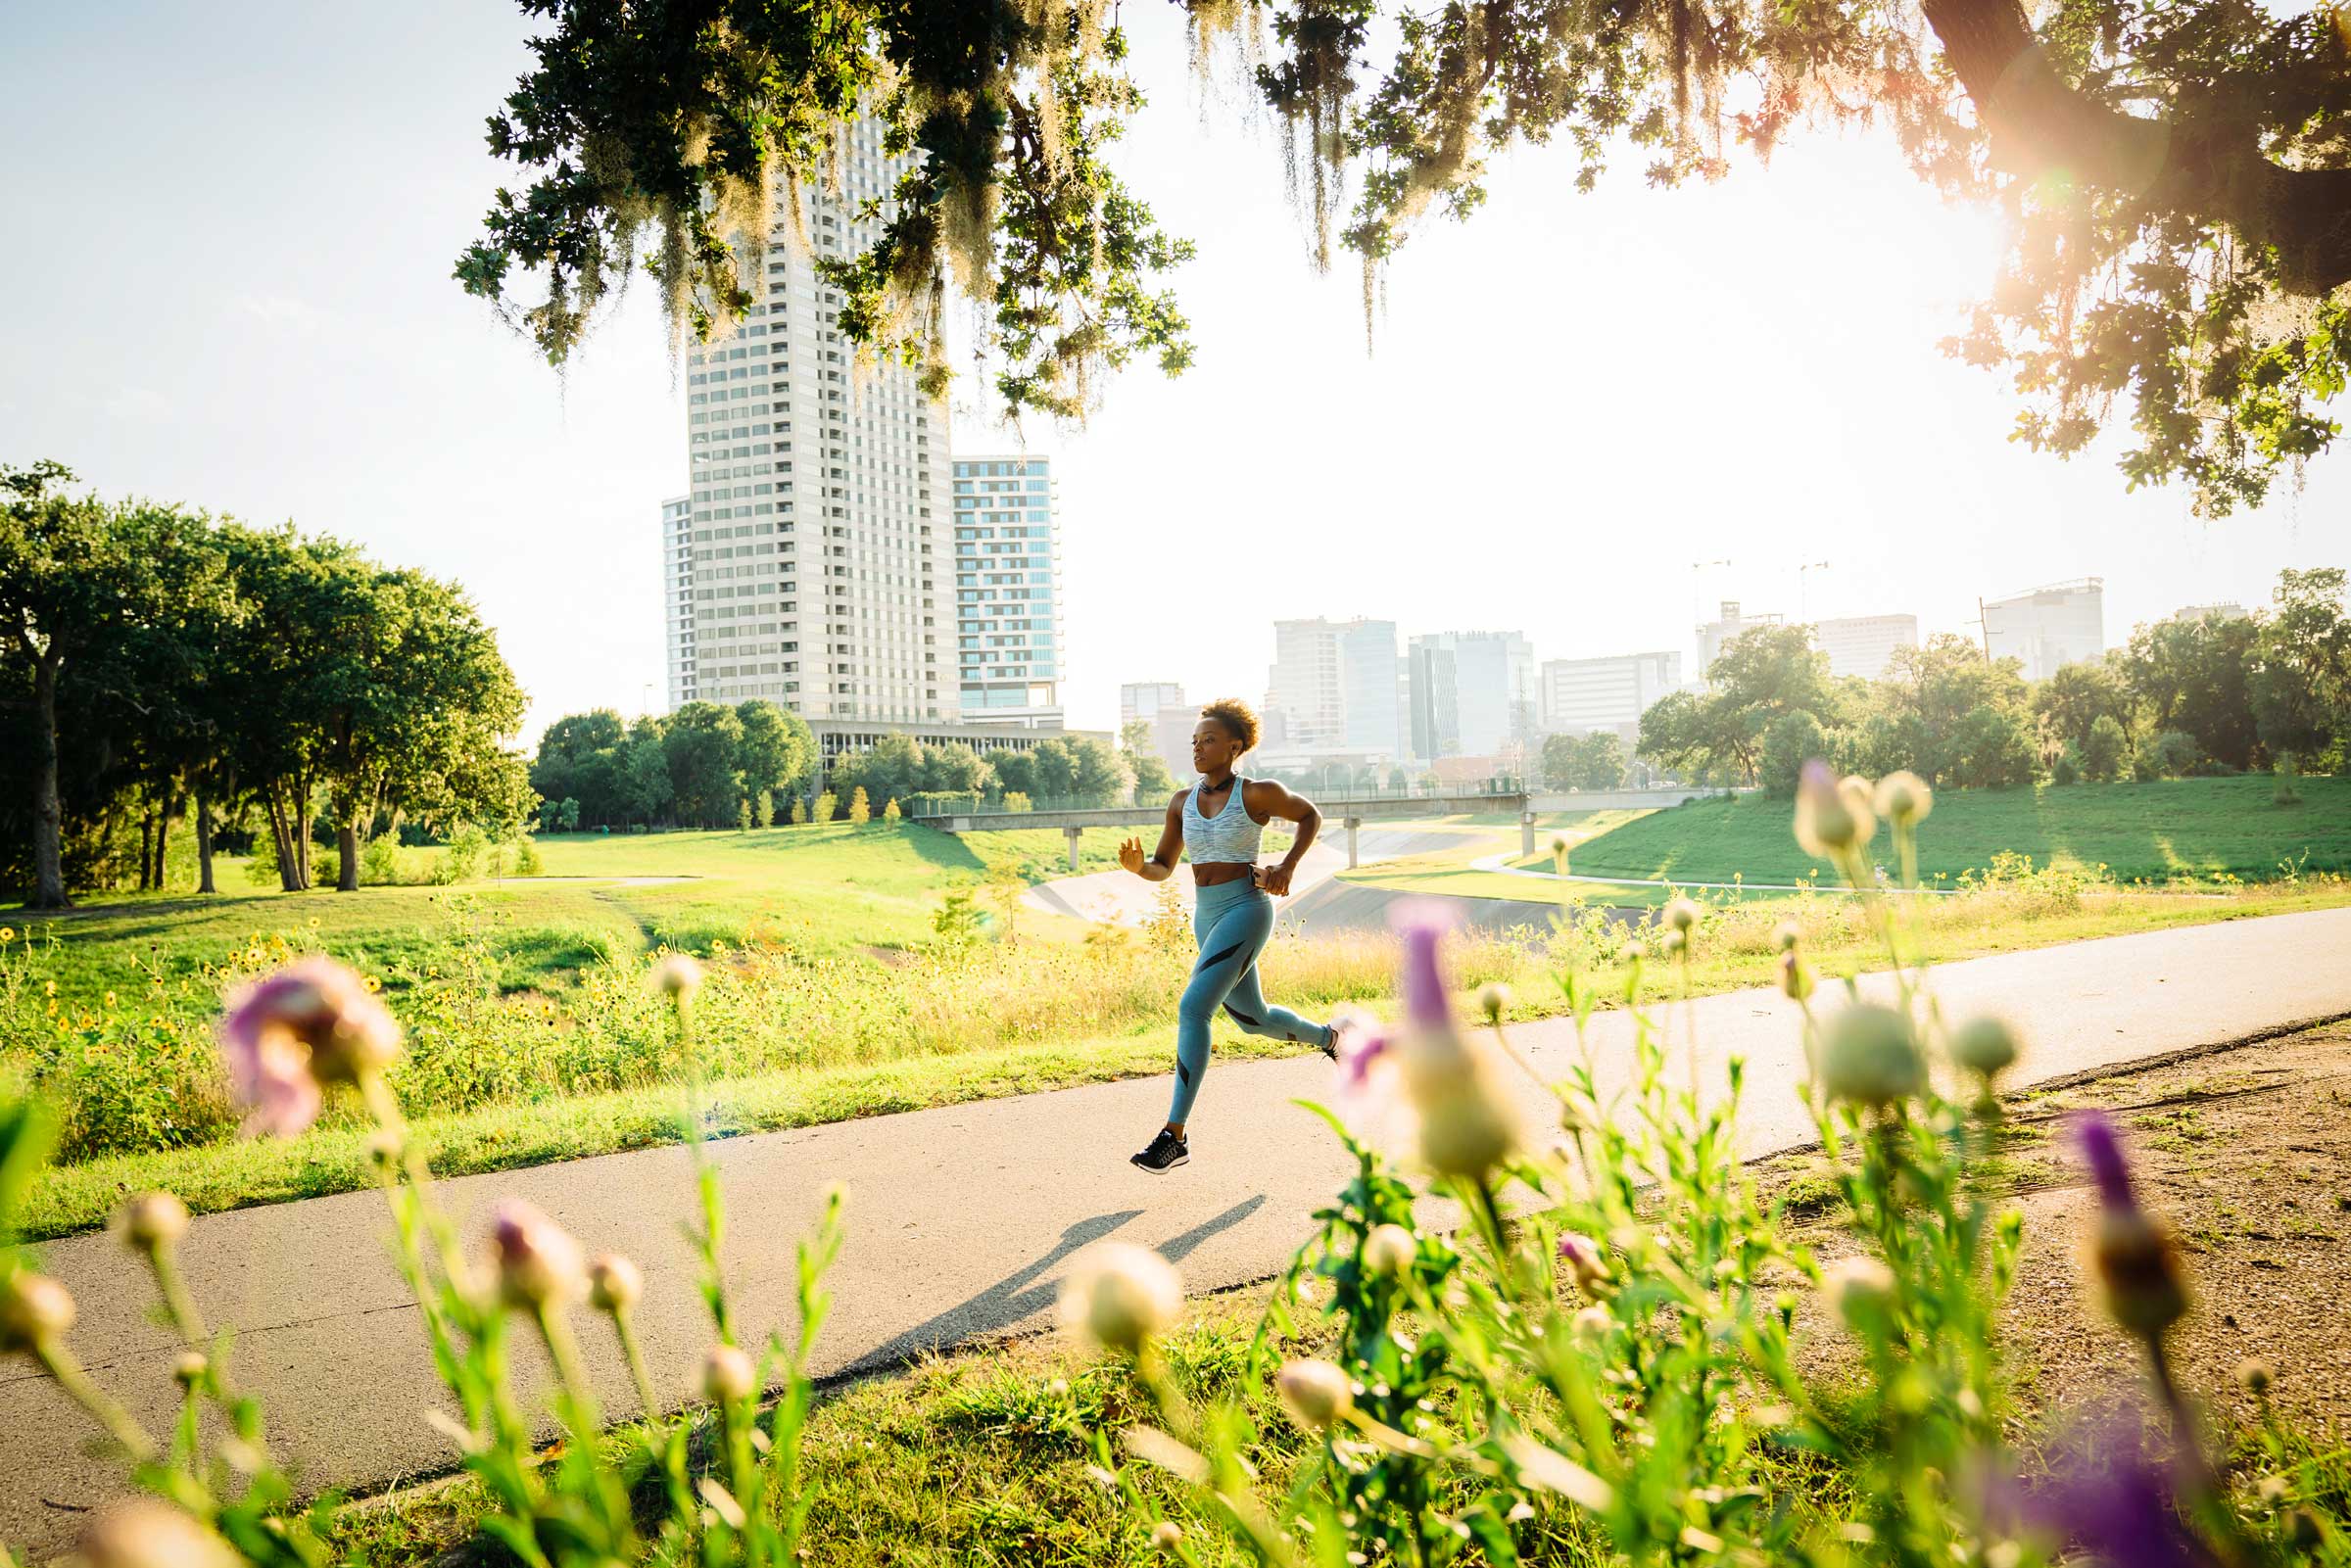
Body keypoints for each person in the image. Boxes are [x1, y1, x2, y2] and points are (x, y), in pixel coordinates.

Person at [1117, 698, 1341, 1173]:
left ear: (1235, 747)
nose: (1198, 748)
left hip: (1246, 910)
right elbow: (1163, 866)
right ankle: (1332, 1038)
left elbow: (1310, 816)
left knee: (1193, 1007)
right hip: (1207, 915)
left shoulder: (1257, 794)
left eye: (1209, 740)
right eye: (1195, 741)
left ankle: (1174, 1136)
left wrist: (1286, 866)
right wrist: (1139, 869)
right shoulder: (1180, 802)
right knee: (1253, 1020)